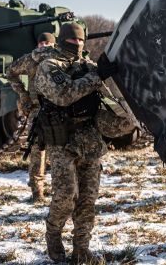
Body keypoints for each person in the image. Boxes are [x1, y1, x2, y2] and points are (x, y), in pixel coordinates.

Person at [34, 22, 133, 263]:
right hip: (62, 140)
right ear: (63, 40)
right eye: (73, 40)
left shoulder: (88, 66)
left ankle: (82, 249)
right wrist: (96, 76)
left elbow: (108, 95)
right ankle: (53, 234)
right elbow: (64, 94)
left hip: (90, 139)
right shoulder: (50, 65)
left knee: (88, 200)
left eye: (81, 40)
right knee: (67, 196)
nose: (77, 44)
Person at [6, 32, 56, 202]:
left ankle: (60, 191)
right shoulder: (31, 59)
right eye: (41, 44)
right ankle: (38, 192)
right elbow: (11, 71)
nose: (43, 47)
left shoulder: (57, 58)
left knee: (58, 152)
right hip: (37, 110)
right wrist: (23, 94)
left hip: (58, 110)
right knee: (37, 152)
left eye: (47, 44)